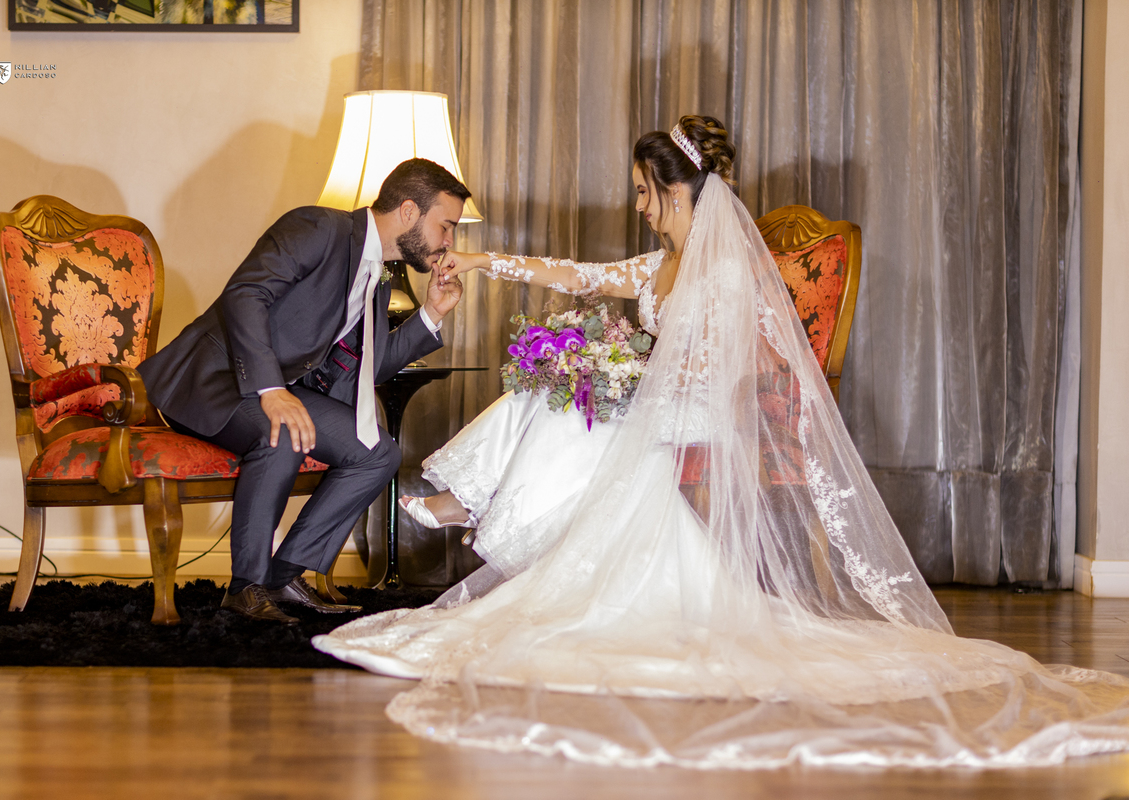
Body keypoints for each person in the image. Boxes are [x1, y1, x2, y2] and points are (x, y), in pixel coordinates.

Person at [311, 118, 1129, 768]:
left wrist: (616, 375)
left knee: (570, 402)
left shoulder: (726, 273)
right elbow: (581, 275)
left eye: (643, 191)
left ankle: (464, 502)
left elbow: (722, 374)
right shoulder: (662, 263)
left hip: (701, 416)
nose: (636, 204)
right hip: (657, 401)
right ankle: (466, 500)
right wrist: (490, 263)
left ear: (674, 188)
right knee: (555, 386)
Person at [138, 158, 467, 625]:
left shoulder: (376, 275)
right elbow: (245, 294)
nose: (449, 241)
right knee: (284, 431)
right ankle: (245, 587)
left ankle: (282, 576)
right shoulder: (318, 227)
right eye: (446, 225)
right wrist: (271, 389)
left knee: (379, 453)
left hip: (276, 391)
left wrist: (431, 314)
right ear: (410, 212)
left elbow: (372, 365)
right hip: (211, 382)